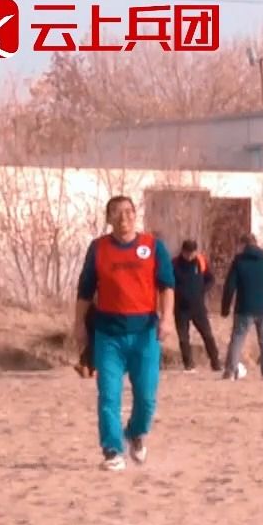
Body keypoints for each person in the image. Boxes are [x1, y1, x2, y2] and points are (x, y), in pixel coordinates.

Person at [73, 195, 174, 471]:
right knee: (108, 396)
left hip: (144, 334)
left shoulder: (153, 247)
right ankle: (113, 451)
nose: (124, 218)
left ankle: (136, 434)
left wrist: (167, 320)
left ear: (135, 215)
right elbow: (84, 292)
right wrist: (79, 325)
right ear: (108, 218)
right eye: (117, 213)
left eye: (129, 212)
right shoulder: (98, 249)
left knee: (146, 397)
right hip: (108, 335)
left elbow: (166, 286)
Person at [221, 232, 263, 381]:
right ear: (256, 243)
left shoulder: (239, 261)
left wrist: (225, 307)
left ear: (243, 244)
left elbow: (229, 286)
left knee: (237, 339)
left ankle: (230, 372)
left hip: (244, 307)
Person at [171, 239, 221, 373]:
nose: (190, 256)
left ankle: (216, 363)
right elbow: (168, 282)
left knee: (207, 335)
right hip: (180, 307)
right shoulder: (174, 264)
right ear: (183, 252)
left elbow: (210, 279)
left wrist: (203, 289)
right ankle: (189, 365)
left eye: (192, 253)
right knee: (183, 338)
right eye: (187, 253)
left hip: (198, 307)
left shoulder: (201, 262)